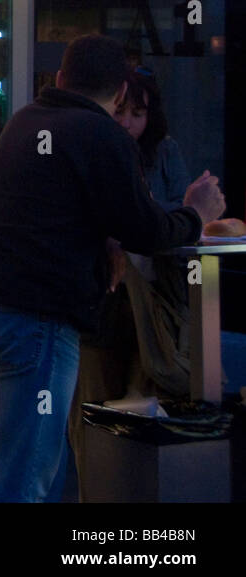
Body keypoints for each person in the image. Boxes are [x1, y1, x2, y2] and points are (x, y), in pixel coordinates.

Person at [0, 34, 223, 502]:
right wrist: (196, 214)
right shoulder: (99, 133)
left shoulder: (24, 122)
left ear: (59, 79)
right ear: (119, 93)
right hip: (36, 320)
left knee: (38, 461)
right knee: (23, 480)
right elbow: (146, 229)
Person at [68, 66, 195, 498]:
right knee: (94, 407)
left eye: (137, 113)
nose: (125, 122)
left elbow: (179, 214)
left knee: (147, 404)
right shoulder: (88, 147)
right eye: (120, 110)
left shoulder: (165, 152)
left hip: (152, 297)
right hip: (101, 302)